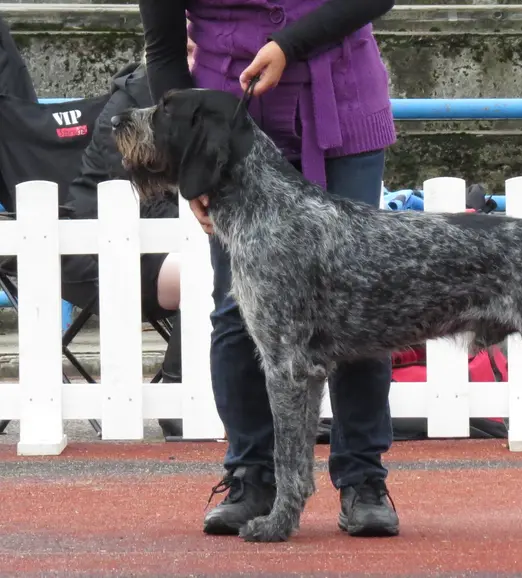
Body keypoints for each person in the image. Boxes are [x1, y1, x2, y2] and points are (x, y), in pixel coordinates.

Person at [138, 0, 401, 537]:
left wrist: (289, 45)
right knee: (237, 309)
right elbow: (165, 49)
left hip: (342, 102)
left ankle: (362, 479)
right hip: (224, 127)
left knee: (363, 300)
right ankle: (251, 475)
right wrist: (186, 159)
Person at [60, 55, 185, 438]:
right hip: (98, 253)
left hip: (164, 244)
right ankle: (179, 391)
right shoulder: (129, 103)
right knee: (214, 267)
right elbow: (144, 197)